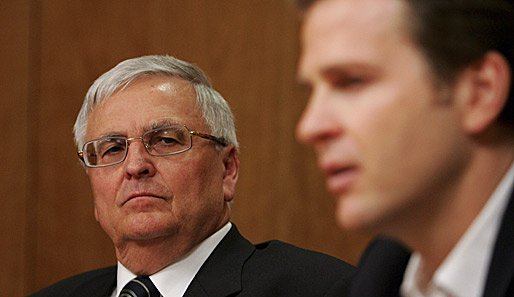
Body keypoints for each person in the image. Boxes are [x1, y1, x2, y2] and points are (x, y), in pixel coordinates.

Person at [28, 55, 355, 297]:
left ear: (228, 169)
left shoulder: (324, 289)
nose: (135, 165)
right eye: (112, 149)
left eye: (166, 140)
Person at [294, 0, 514, 296]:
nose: (309, 127)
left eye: (352, 82)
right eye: (312, 90)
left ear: (479, 92)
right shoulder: (377, 276)